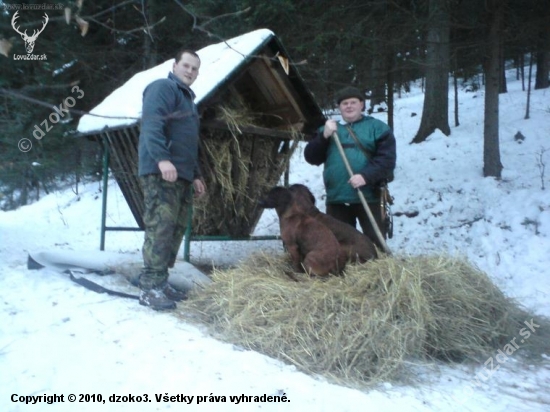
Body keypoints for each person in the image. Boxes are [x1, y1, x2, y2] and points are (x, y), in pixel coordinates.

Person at [137, 49, 206, 310]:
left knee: (175, 228)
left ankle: (161, 281)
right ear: (174, 65)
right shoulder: (162, 88)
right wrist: (162, 159)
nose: (190, 71)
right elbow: (152, 125)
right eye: (186, 66)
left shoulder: (189, 101)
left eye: (195, 68)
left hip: (181, 175)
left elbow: (189, 144)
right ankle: (149, 287)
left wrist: (196, 175)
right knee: (160, 226)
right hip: (161, 172)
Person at [304, 86, 396, 250]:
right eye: (344, 103)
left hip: (369, 197)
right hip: (337, 199)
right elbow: (311, 157)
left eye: (353, 102)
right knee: (339, 246)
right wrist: (323, 136)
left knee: (375, 246)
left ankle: (376, 275)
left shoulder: (377, 128)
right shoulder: (329, 130)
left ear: (362, 105)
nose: (349, 106)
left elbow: (387, 160)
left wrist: (365, 177)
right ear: (339, 107)